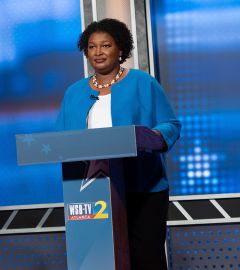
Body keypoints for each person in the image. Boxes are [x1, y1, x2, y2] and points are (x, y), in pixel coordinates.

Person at [56, 18, 181, 270]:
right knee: (99, 261)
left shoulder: (142, 83)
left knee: (145, 258)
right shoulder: (74, 92)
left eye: (105, 45)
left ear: (120, 49)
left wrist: (154, 136)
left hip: (143, 187)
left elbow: (170, 125)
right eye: (92, 47)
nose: (98, 52)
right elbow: (61, 140)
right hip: (91, 192)